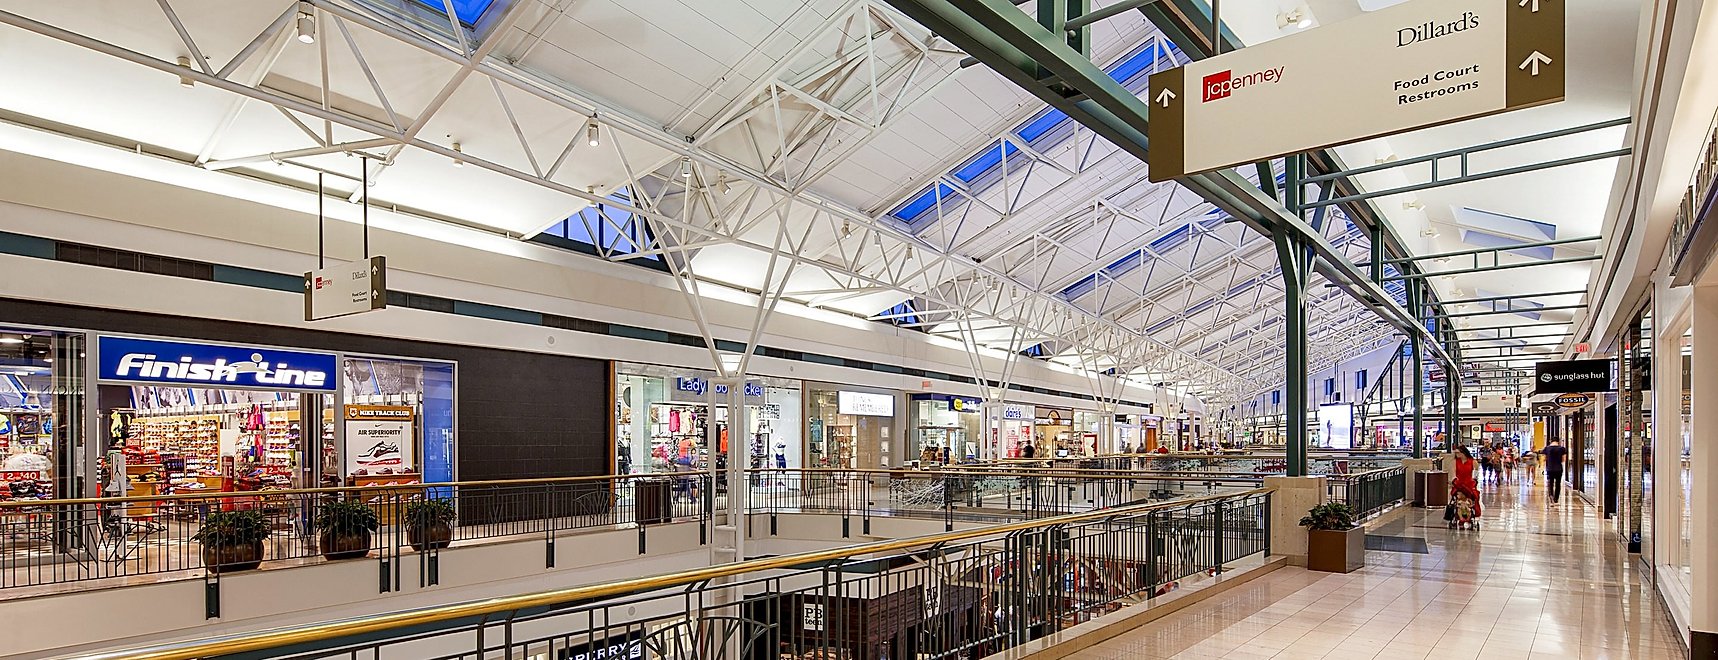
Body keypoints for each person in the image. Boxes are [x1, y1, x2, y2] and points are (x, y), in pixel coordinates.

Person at [1449, 444, 1483, 519]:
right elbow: (1453, 472)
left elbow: (1475, 474)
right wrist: (1454, 480)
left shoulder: (1473, 462)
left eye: (1458, 453)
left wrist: (1474, 481)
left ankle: (1471, 513)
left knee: (1472, 497)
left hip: (1469, 484)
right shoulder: (1455, 462)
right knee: (1458, 497)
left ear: (1463, 453)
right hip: (1459, 484)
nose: (1456, 454)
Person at [1541, 439, 1568, 504]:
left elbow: (1544, 459)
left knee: (1550, 483)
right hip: (1559, 468)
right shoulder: (1562, 449)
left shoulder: (1547, 448)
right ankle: (1556, 499)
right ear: (1558, 441)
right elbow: (1563, 460)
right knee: (1558, 483)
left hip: (1550, 468)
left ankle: (1551, 496)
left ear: (1551, 441)